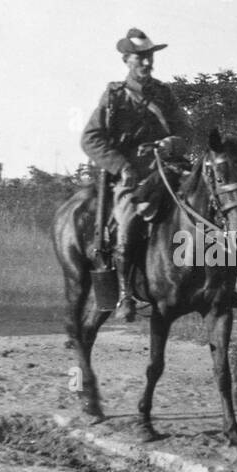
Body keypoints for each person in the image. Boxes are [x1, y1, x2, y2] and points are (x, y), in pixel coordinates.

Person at [80, 28, 191, 321]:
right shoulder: (115, 96)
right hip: (131, 177)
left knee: (204, 205)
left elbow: (185, 132)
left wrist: (171, 143)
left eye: (149, 57)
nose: (146, 63)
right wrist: (122, 166)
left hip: (168, 170)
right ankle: (125, 294)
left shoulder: (164, 94)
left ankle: (211, 284)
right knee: (128, 223)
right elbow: (90, 139)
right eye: (139, 58)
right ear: (126, 60)